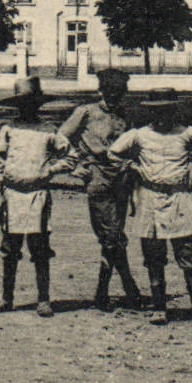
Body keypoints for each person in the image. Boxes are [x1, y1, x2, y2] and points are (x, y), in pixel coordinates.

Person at [108, 88, 192, 326]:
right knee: (154, 256)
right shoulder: (139, 135)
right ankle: (159, 307)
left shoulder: (186, 133)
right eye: (157, 111)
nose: (162, 116)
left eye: (167, 110)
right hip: (150, 198)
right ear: (150, 112)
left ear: (174, 110)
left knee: (190, 255)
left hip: (179, 198)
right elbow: (112, 154)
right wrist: (132, 166)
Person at [58, 67, 144, 311]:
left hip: (122, 179)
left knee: (113, 236)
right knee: (112, 235)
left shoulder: (125, 115)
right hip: (97, 177)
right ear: (102, 90)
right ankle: (126, 288)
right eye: (110, 92)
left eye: (119, 92)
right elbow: (61, 139)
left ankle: (104, 292)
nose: (114, 97)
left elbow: (134, 146)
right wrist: (76, 165)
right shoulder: (85, 112)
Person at [0, 76, 73, 317]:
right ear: (17, 106)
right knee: (9, 248)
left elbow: (71, 157)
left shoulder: (48, 131)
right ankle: (7, 299)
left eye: (32, 103)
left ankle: (43, 300)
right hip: (12, 195)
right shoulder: (8, 130)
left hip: (37, 195)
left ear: (38, 104)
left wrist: (50, 170)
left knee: (40, 248)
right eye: (22, 104)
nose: (27, 108)